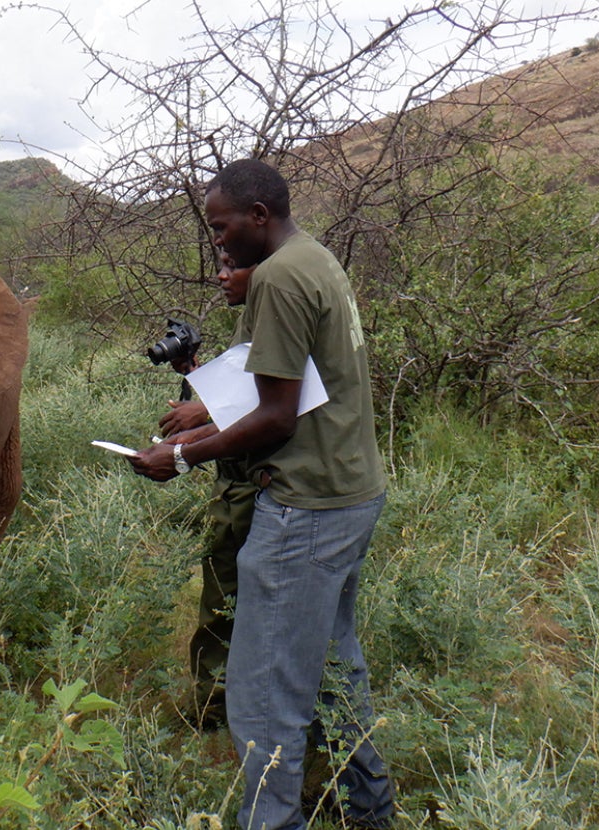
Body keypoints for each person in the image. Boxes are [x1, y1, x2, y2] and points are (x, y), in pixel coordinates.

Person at [129, 159, 395, 829]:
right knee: (333, 672)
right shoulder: (313, 258)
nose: (218, 243)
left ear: (257, 216)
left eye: (221, 228)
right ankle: (369, 812)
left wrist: (181, 456)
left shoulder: (277, 277)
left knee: (261, 700)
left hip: (303, 508)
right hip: (348, 492)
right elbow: (293, 386)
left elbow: (277, 415)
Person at [158, 254, 256, 729]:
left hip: (250, 488)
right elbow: (242, 398)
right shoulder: (253, 321)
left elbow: (266, 413)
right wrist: (196, 373)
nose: (222, 275)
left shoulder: (276, 318)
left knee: (225, 605)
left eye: (232, 265)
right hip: (236, 483)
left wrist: (188, 443)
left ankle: (215, 713)